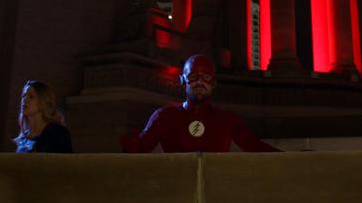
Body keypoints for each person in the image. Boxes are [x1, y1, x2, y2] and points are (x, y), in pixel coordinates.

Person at [120, 54, 280, 153]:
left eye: (206, 77)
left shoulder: (227, 120)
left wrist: (296, 157)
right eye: (193, 77)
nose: (199, 82)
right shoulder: (164, 117)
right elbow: (140, 149)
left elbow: (255, 147)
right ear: (183, 80)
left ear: (214, 83)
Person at [14, 80, 73, 153]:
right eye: (24, 96)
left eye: (31, 96)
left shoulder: (58, 133)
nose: (25, 100)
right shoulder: (23, 138)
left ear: (43, 102)